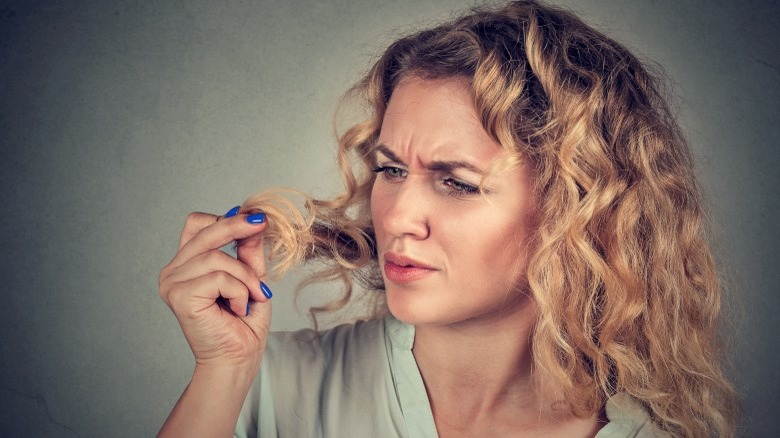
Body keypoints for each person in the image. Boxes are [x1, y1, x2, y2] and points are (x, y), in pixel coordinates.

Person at [157, 1, 739, 436]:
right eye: (390, 171)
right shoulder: (270, 386)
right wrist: (223, 371)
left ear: (579, 210)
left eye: (456, 182)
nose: (399, 216)